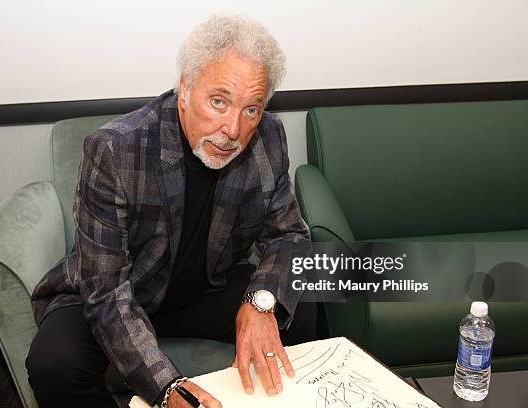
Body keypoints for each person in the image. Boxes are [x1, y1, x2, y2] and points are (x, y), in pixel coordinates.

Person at [26, 15, 316, 408]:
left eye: (252, 109)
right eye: (219, 101)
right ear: (185, 88)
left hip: (201, 291)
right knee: (54, 363)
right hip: (115, 293)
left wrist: (260, 303)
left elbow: (288, 236)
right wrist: (166, 388)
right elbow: (107, 292)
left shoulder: (269, 136)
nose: (233, 129)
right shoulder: (115, 150)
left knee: (304, 297)